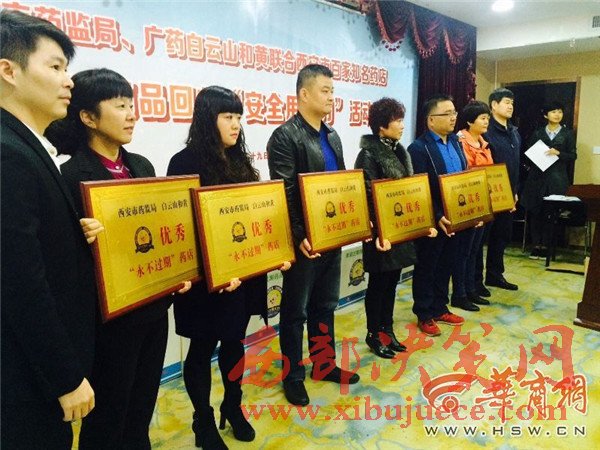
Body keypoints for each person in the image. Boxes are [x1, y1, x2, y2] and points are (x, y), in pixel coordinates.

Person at [47, 68, 191, 449]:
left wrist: (179, 268)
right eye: (120, 106)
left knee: (142, 408)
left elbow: (158, 232)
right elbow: (60, 262)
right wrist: (78, 238)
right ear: (88, 117)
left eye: (131, 105)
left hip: (153, 310)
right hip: (109, 324)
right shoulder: (70, 176)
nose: (131, 115)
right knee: (108, 419)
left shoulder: (141, 166)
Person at [168, 86, 290, 450]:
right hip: (206, 281)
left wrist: (275, 250)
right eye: (227, 116)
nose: (235, 124)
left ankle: (233, 406)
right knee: (202, 347)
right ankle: (203, 420)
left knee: (234, 341)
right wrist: (215, 269)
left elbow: (254, 217)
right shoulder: (184, 163)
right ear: (208, 119)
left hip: (241, 274)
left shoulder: (241, 161)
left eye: (238, 117)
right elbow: (182, 224)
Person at [0, 10, 96, 449]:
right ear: (9, 71)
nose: (68, 81)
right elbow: (20, 284)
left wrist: (72, 233)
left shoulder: (27, 145)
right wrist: (65, 376)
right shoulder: (9, 154)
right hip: (26, 380)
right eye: (55, 66)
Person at [267, 64, 360, 406]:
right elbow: (285, 190)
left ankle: (323, 364)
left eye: (332, 91)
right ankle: (292, 375)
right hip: (304, 242)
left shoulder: (332, 135)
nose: (331, 97)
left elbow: (340, 185)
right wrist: (298, 235)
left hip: (331, 236)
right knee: (295, 312)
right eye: (325, 90)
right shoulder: (285, 136)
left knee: (325, 305)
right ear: (304, 94)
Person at [354, 97, 437, 358]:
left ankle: (387, 330)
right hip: (381, 234)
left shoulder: (400, 151)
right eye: (397, 120)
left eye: (402, 120)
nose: (402, 125)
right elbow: (367, 196)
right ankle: (373, 334)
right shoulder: (368, 155)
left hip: (400, 230)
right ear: (381, 126)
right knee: (378, 284)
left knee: (392, 283)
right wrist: (379, 233)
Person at [407, 94, 467, 337]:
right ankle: (424, 312)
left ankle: (440, 307)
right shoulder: (418, 148)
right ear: (431, 120)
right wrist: (437, 213)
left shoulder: (456, 142)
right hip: (434, 220)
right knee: (427, 266)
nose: (453, 118)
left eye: (454, 112)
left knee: (447, 263)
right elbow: (418, 189)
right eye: (447, 113)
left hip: (456, 217)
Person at [451, 100, 494, 311]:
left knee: (475, 250)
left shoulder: (483, 143)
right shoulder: (460, 142)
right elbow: (465, 173)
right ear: (470, 121)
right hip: (467, 204)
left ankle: (471, 289)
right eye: (482, 118)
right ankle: (459, 293)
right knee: (464, 252)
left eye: (487, 118)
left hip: (483, 203)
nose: (486, 122)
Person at [520, 101, 577, 259]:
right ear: (546, 115)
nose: (557, 114)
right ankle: (536, 245)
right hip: (537, 178)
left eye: (560, 111)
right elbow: (528, 154)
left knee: (551, 213)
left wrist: (559, 153)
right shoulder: (538, 133)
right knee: (536, 211)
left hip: (557, 179)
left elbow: (573, 155)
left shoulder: (567, 134)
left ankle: (548, 246)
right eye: (553, 112)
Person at [482, 88, 520, 291]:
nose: (510, 106)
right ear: (494, 105)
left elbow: (515, 164)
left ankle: (495, 275)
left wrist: (514, 191)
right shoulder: (486, 132)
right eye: (506, 102)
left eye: (512, 103)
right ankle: (474, 281)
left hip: (508, 194)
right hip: (489, 194)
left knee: (502, 235)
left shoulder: (514, 132)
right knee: (482, 238)